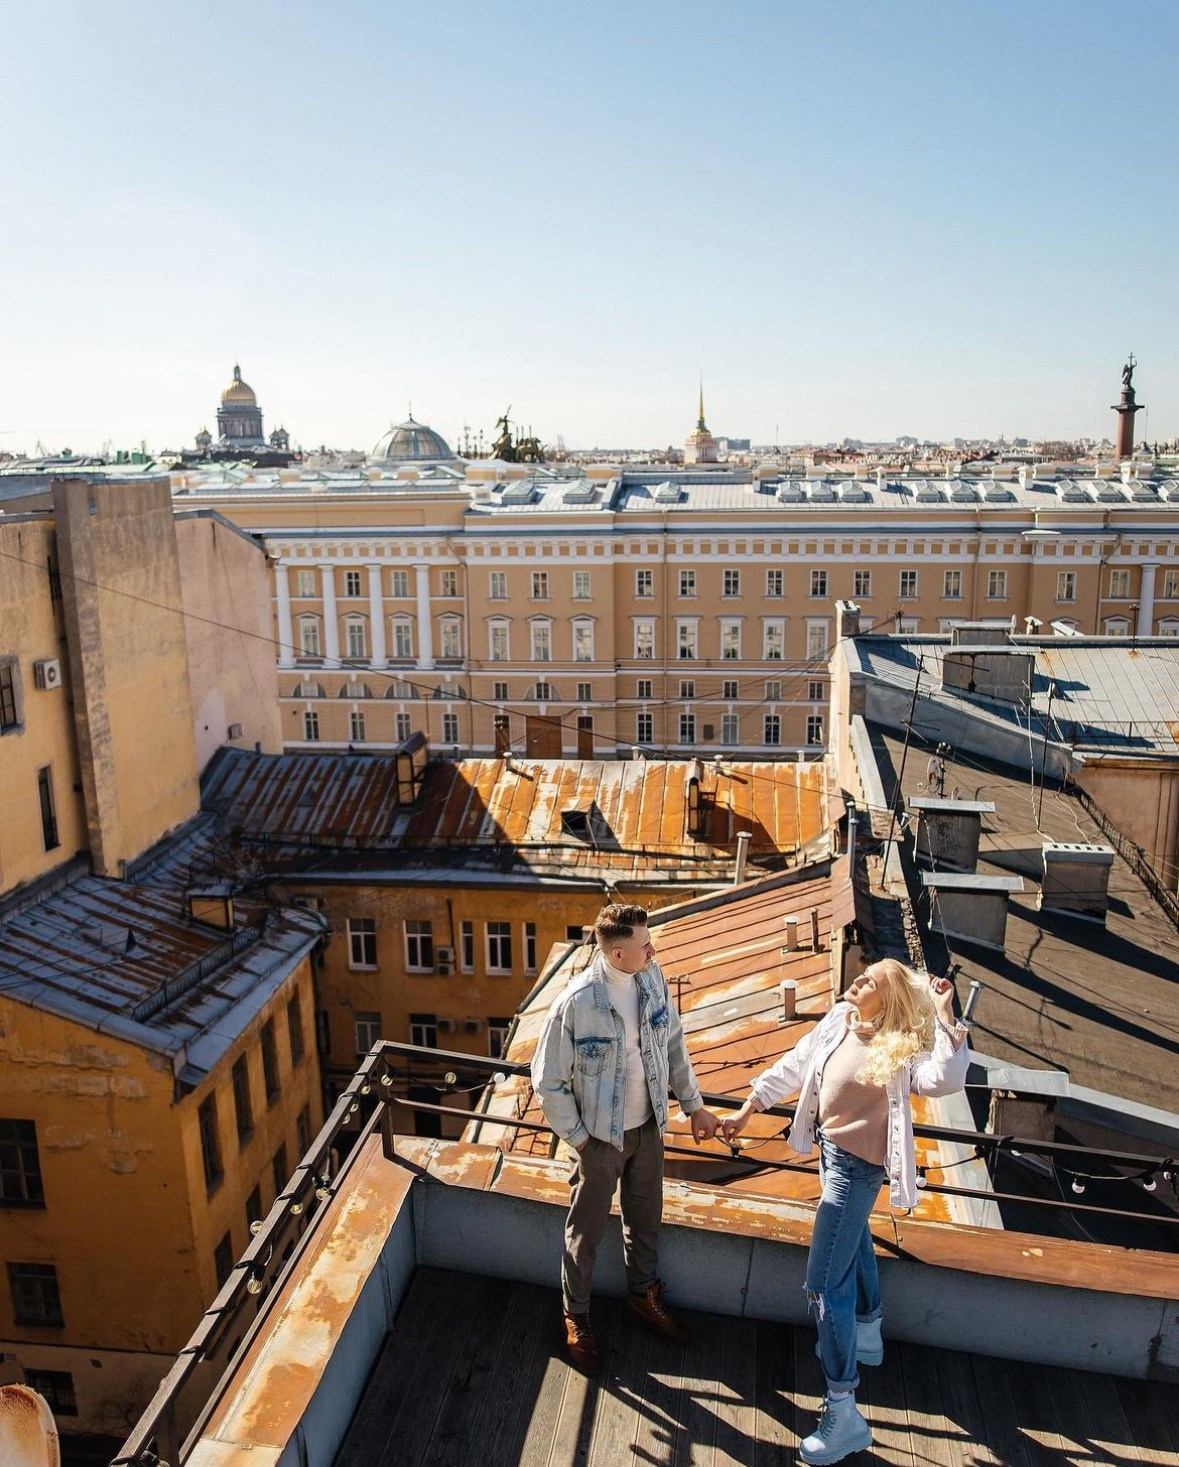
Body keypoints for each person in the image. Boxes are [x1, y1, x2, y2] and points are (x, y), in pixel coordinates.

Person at [723, 959, 970, 1465]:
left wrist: (946, 1016)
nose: (856, 980)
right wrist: (750, 1106)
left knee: (823, 1286)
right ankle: (868, 1330)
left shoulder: (901, 1048)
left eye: (869, 981)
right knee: (852, 1241)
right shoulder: (841, 1018)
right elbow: (799, 1061)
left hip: (855, 1172)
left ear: (888, 1000)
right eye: (862, 974)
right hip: (829, 1154)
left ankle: (844, 1412)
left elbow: (945, 1079)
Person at [532, 902, 720, 1374]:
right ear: (618, 953)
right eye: (645, 945)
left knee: (646, 1221)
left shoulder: (651, 978)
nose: (652, 951)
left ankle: (642, 1298)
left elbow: (673, 1043)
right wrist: (580, 1140)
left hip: (649, 1127)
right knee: (585, 1233)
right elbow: (547, 1081)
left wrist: (693, 1105)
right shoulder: (577, 1002)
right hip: (599, 1141)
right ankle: (576, 1316)